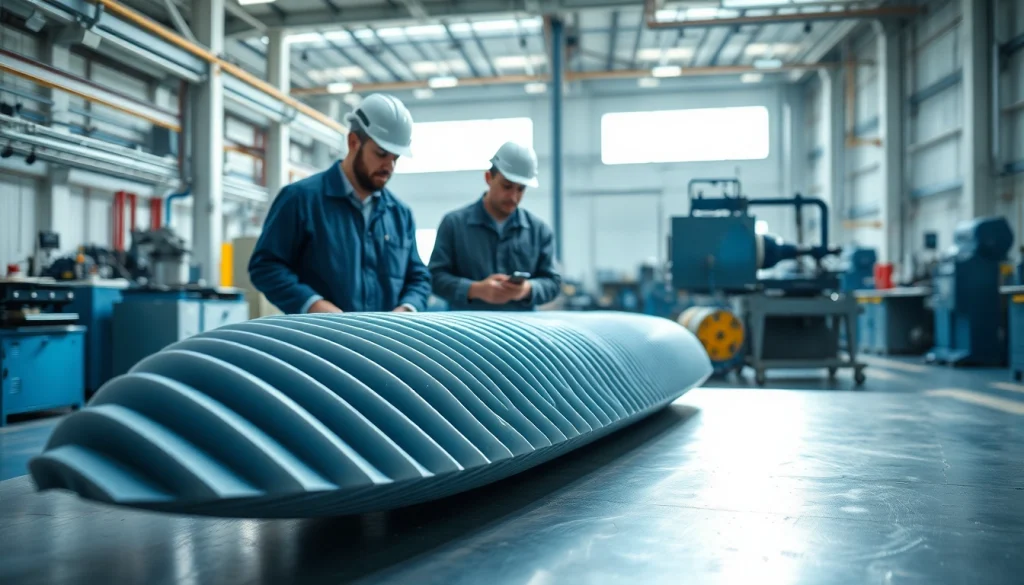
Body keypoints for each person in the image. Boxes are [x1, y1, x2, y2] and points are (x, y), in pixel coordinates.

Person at [248, 93, 431, 314]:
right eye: (381, 154)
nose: (389, 166)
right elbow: (266, 266)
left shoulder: (400, 215)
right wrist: (313, 304)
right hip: (318, 342)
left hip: (383, 344)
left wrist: (407, 309)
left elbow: (419, 278)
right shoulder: (300, 200)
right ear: (354, 142)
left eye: (395, 158)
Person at [428, 140, 562, 311]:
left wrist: (525, 289)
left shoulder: (539, 231)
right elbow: (434, 277)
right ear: (488, 178)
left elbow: (553, 283)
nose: (513, 196)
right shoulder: (454, 225)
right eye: (507, 186)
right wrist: (475, 290)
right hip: (466, 332)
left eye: (521, 189)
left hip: (521, 333)